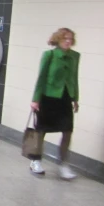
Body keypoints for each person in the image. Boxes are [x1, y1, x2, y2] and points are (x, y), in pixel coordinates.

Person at [28, 28, 80, 180]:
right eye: (65, 38)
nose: (68, 41)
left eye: (70, 39)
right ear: (58, 40)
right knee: (41, 130)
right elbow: (41, 77)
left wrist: (75, 98)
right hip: (48, 96)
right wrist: (35, 99)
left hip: (65, 98)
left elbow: (74, 78)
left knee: (67, 130)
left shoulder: (75, 56)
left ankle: (63, 164)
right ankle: (35, 160)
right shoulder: (49, 55)